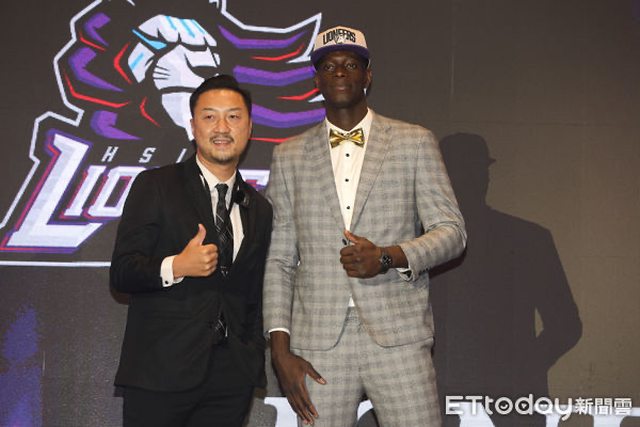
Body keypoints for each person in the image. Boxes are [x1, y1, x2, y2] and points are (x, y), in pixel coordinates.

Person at [263, 25, 467, 427]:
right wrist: (279, 350)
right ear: (317, 80)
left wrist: (389, 257)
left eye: (351, 64)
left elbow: (452, 232)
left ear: (368, 75)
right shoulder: (289, 156)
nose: (340, 72)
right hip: (318, 343)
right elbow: (279, 260)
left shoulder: (413, 142)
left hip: (398, 337)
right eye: (329, 66)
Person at [110, 74, 273, 427]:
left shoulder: (259, 207)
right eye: (209, 116)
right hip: (160, 372)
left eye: (233, 117)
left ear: (249, 128)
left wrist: (250, 356)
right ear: (192, 126)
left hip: (231, 379)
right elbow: (122, 272)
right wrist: (176, 266)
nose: (222, 127)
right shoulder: (156, 185)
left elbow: (254, 294)